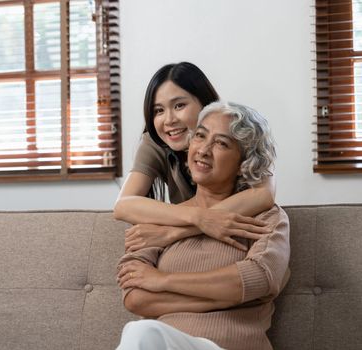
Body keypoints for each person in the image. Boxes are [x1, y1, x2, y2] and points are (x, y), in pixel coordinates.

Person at [116, 101, 290, 350]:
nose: (204, 150)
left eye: (221, 143)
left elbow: (259, 279)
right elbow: (135, 298)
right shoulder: (159, 219)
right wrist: (224, 298)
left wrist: (163, 281)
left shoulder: (266, 217)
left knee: (142, 333)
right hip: (163, 343)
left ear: (245, 162)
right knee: (142, 333)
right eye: (200, 136)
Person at [113, 62, 276, 253]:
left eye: (179, 105)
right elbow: (123, 205)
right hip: (187, 248)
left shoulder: (240, 128)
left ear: (205, 103)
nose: (169, 120)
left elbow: (264, 195)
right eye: (158, 110)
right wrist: (198, 217)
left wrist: (171, 234)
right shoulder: (154, 143)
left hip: (233, 241)